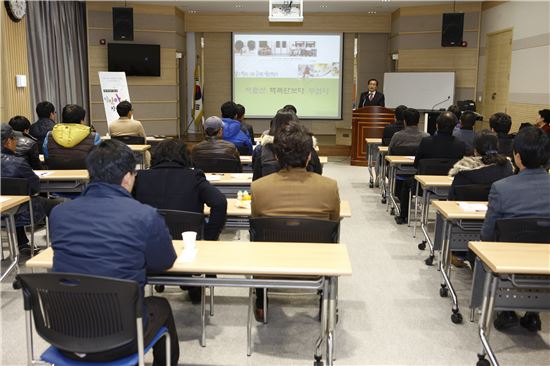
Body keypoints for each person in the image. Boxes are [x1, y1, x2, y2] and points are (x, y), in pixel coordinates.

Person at [50, 140, 179, 365]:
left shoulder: (59, 213)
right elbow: (164, 261)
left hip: (64, 335)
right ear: (128, 177)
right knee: (161, 305)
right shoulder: (145, 215)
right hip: (121, 339)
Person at [251, 122, 340, 322]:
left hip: (270, 266)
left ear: (276, 155)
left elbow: (255, 225)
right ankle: (324, 300)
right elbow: (334, 225)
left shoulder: (259, 188)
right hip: (316, 265)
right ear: (310, 155)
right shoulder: (329, 187)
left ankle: (260, 302)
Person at [480, 126, 550, 333]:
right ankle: (533, 314)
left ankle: (507, 310)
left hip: (509, 263)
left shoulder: (502, 188)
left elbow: (487, 234)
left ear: (517, 157)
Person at [134, 139, 227, 241]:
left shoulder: (140, 177)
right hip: (189, 242)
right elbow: (220, 202)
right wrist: (210, 236)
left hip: (147, 242)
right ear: (186, 156)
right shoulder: (194, 177)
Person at [394, 111, 466, 224]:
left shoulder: (427, 142)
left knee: (407, 184)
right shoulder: (460, 145)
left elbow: (417, 163)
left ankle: (403, 216)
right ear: (454, 127)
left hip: (423, 186)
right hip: (450, 186)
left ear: (437, 125)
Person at [1, 124, 59, 255]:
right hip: (22, 212)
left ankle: (22, 243)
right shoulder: (18, 163)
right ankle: (56, 246)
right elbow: (35, 187)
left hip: (3, 209)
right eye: (15, 139)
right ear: (9, 141)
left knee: (14, 199)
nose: (17, 142)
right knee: (56, 204)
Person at [252, 109, 322, 180]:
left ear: (274, 125)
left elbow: (256, 178)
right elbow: (318, 173)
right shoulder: (308, 148)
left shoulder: (261, 149)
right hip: (305, 189)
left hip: (269, 189)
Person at [42, 104, 101, 169]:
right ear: (81, 120)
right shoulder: (94, 136)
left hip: (56, 174)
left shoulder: (49, 135)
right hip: (84, 174)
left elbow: (47, 157)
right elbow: (97, 159)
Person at [108, 100, 151, 167]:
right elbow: (144, 141)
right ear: (129, 112)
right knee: (147, 153)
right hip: (136, 155)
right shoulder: (137, 124)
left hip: (119, 156)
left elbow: (112, 142)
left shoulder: (112, 125)